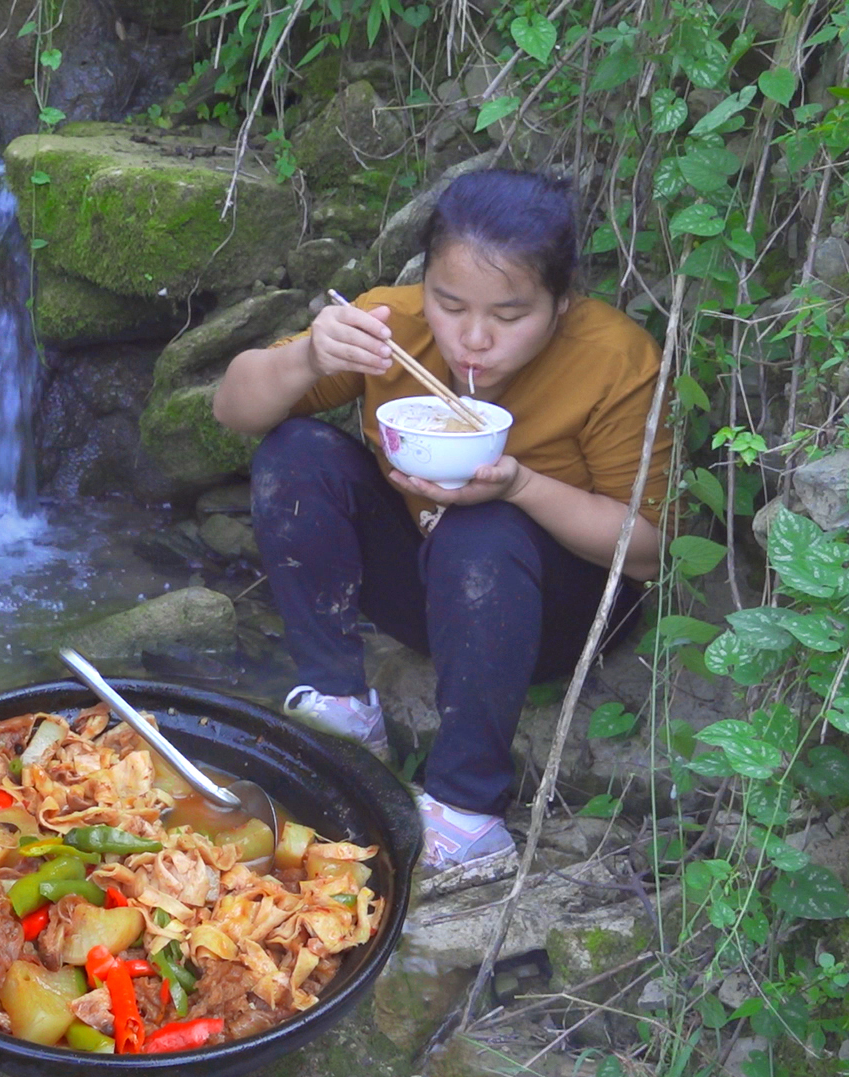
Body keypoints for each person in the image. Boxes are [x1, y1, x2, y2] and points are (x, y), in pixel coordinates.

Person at [212, 168, 667, 875]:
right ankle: (340, 705)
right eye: (450, 304)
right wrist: (308, 356)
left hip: (560, 612)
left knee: (480, 527)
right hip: (431, 587)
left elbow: (645, 551)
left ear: (562, 301)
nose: (474, 338)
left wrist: (519, 485)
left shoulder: (613, 359)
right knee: (296, 452)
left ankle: (467, 812)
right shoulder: (391, 328)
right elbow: (232, 410)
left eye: (510, 316)